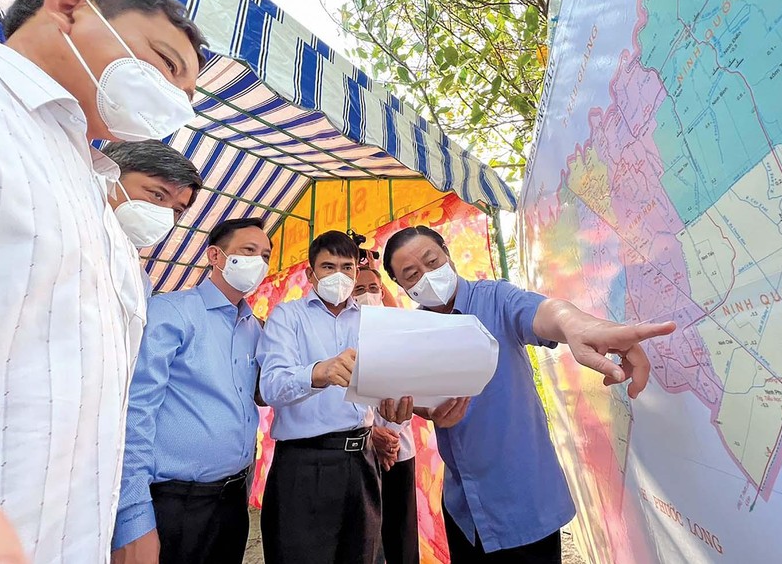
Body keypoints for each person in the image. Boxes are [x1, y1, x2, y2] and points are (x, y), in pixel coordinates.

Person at [0, 0, 204, 562]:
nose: (171, 102)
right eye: (165, 64)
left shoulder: (88, 178)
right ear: (69, 6)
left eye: (185, 96)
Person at [383, 226, 675, 563]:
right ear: (402, 287)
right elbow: (413, 398)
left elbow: (546, 312)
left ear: (446, 254)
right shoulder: (413, 335)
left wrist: (576, 325)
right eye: (411, 274)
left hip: (524, 501)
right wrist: (418, 409)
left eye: (432, 261)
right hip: (465, 510)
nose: (428, 276)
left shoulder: (496, 299)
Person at [112, 217, 271, 564]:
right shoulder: (172, 312)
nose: (259, 262)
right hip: (176, 502)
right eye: (248, 251)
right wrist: (134, 516)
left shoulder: (253, 327)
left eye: (265, 255)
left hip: (232, 499)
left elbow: (258, 394)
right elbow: (136, 411)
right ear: (216, 255)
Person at [257, 230, 413, 564]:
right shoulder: (288, 317)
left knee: (363, 556)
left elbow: (389, 386)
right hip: (304, 465)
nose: (338, 275)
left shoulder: (375, 320)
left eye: (346, 267)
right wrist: (319, 373)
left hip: (362, 463)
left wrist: (395, 413)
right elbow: (271, 386)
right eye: (328, 267)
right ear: (310, 274)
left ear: (357, 271)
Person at [354, 267, 420, 564]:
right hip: (361, 456)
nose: (368, 294)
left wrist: (389, 438)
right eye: (358, 290)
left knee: (402, 539)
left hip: (399, 452)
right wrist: (370, 436)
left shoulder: (397, 333)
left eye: (373, 288)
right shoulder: (342, 334)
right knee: (369, 541)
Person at [103, 140, 203, 297]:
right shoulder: (58, 230)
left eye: (177, 210)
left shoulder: (140, 281)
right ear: (108, 175)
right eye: (158, 195)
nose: (165, 214)